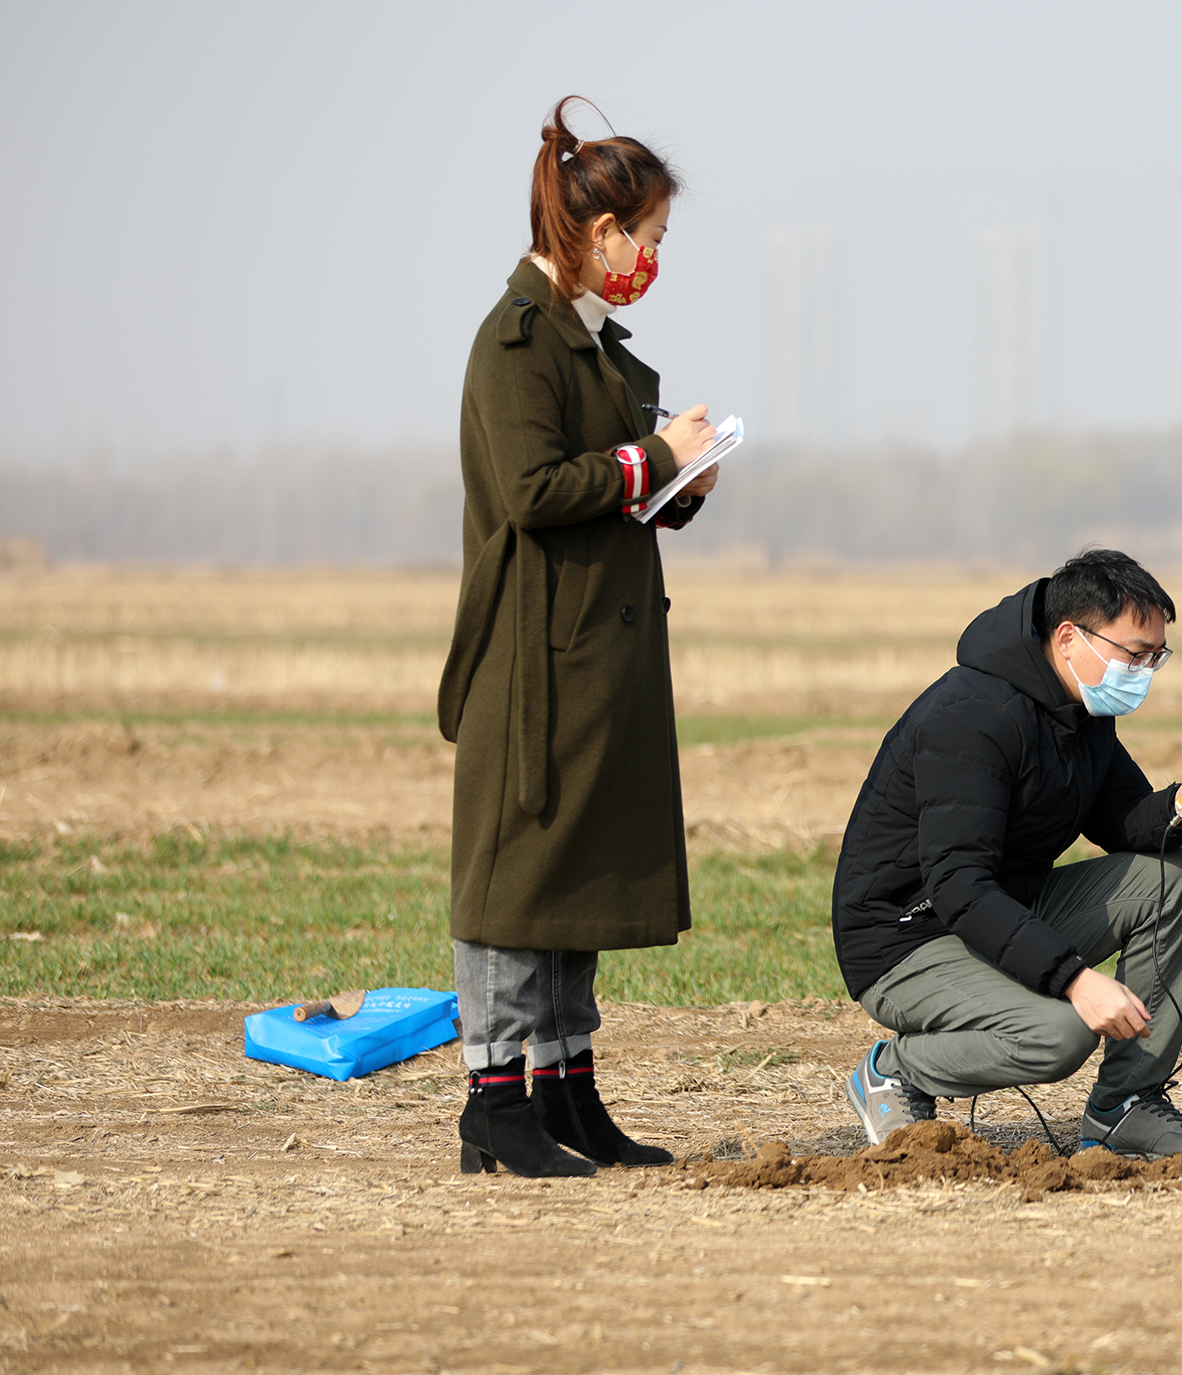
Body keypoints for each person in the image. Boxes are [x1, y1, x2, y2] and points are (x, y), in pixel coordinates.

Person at [439, 97, 722, 1178]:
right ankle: (493, 1101)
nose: (652, 258)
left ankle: (565, 1086)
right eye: (648, 237)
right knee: (516, 879)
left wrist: (675, 482)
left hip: (596, 652)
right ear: (599, 232)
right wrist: (652, 459)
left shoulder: (585, 338)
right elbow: (533, 490)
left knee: (576, 877)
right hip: (534, 655)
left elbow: (604, 490)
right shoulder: (515, 339)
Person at [832, 550, 1182, 1158]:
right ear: (1070, 636)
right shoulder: (971, 716)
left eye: (1156, 657)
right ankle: (895, 1071)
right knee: (1059, 1034)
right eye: (1134, 654)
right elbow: (958, 884)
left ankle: (1127, 1105)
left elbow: (1122, 819)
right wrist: (1075, 979)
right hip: (907, 937)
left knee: (1174, 881)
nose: (1144, 672)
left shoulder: (1082, 710)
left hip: (1002, 907)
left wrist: (1178, 809)